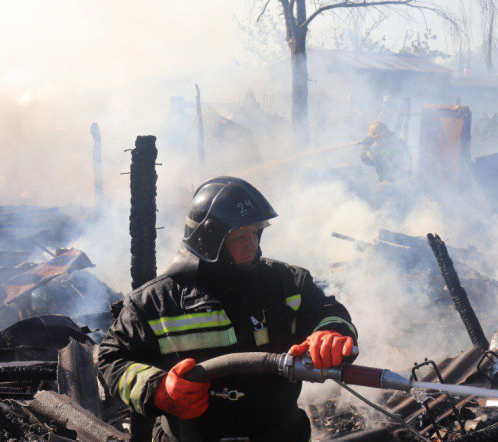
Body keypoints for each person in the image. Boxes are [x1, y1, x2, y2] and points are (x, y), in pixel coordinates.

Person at [97, 177, 358, 442]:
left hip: (280, 435)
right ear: (210, 241)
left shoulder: (288, 283)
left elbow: (328, 311)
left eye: (256, 232)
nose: (253, 244)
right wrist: (158, 390)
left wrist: (331, 333)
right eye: (241, 236)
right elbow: (111, 358)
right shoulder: (155, 302)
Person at [359, 121, 412, 185]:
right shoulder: (395, 140)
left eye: (375, 137)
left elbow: (366, 159)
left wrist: (366, 146)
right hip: (402, 179)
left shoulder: (384, 146)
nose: (375, 140)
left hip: (394, 181)